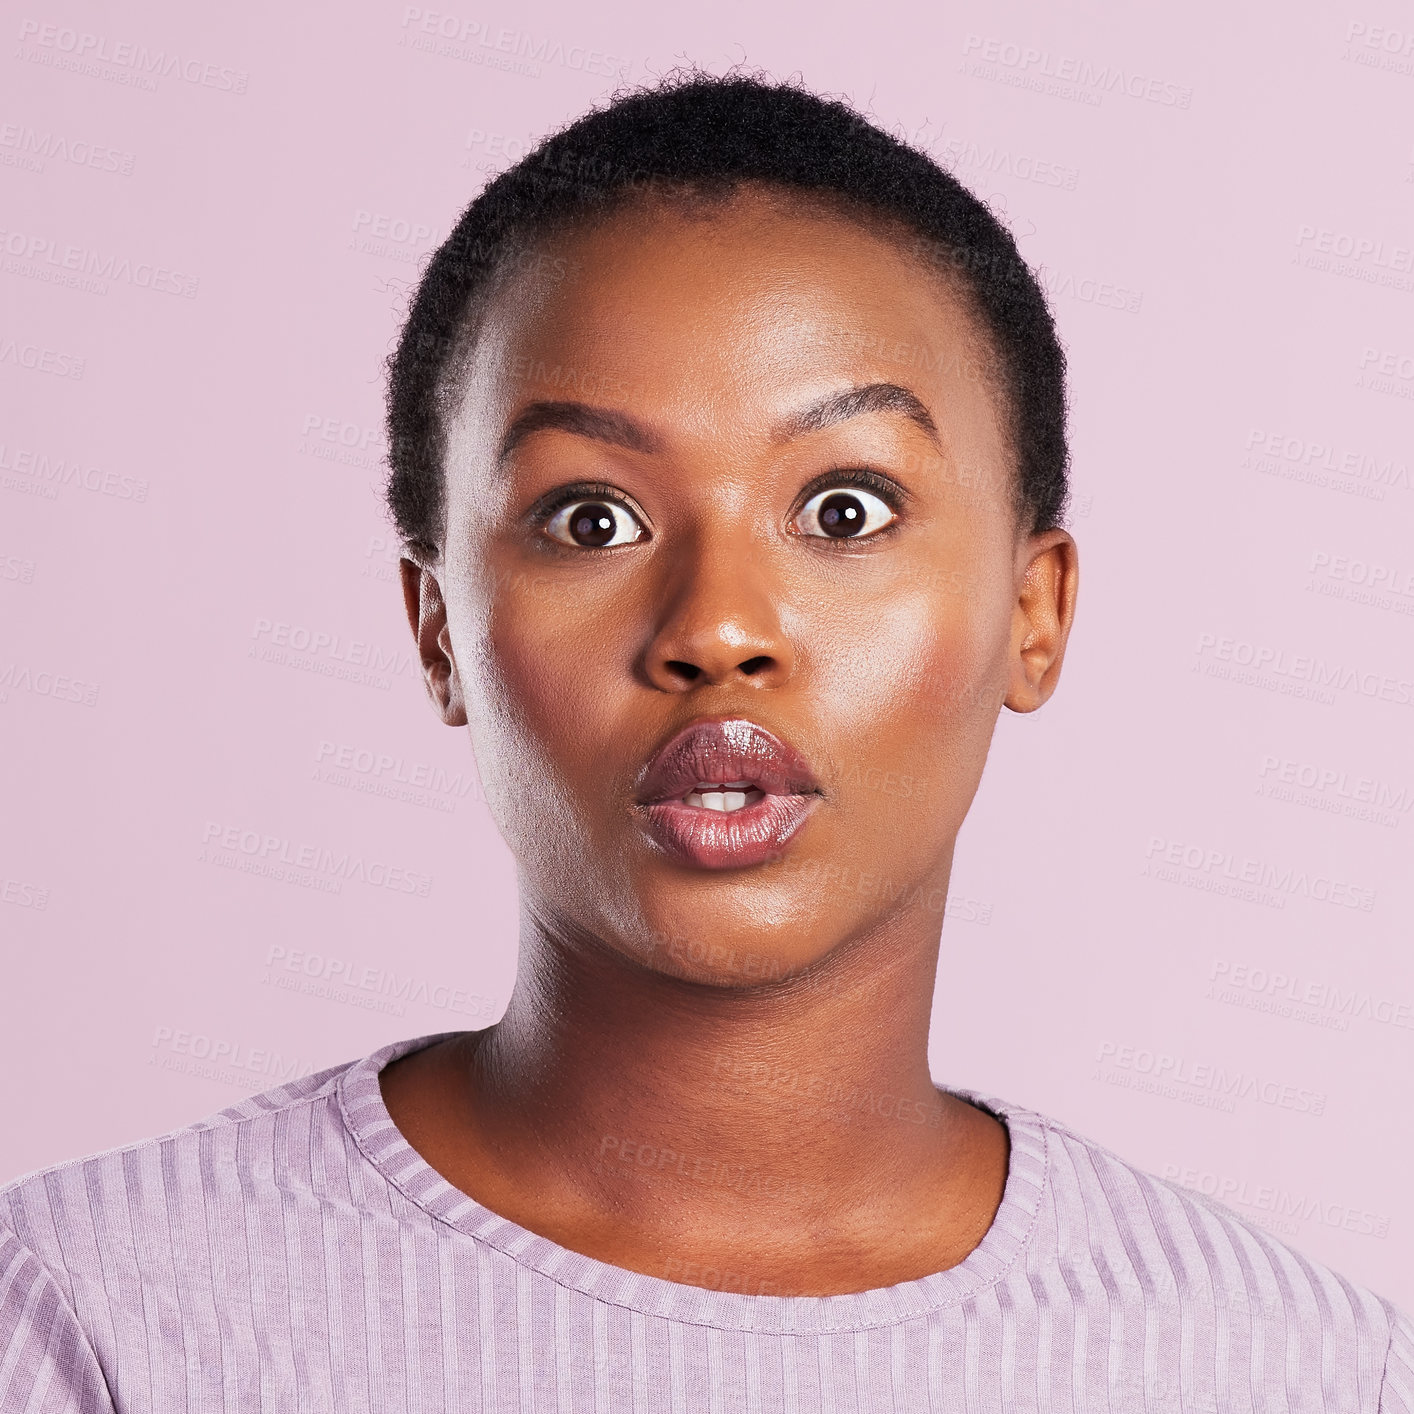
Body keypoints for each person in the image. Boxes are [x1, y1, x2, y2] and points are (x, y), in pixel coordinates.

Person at [2, 71, 1410, 1413]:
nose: (718, 626)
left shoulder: (1287, 1366)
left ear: (1030, 614)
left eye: (845, 508)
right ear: (438, 629)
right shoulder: (102, 1310)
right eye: (590, 519)